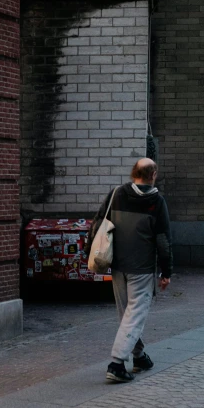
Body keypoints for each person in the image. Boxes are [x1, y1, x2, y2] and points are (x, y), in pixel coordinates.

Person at [85, 158, 172, 383]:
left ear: (133, 173)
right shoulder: (157, 201)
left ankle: (139, 356)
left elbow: (96, 224)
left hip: (117, 266)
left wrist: (88, 252)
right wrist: (166, 272)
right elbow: (163, 240)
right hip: (141, 269)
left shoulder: (116, 194)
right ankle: (116, 364)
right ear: (153, 176)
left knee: (127, 315)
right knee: (134, 316)